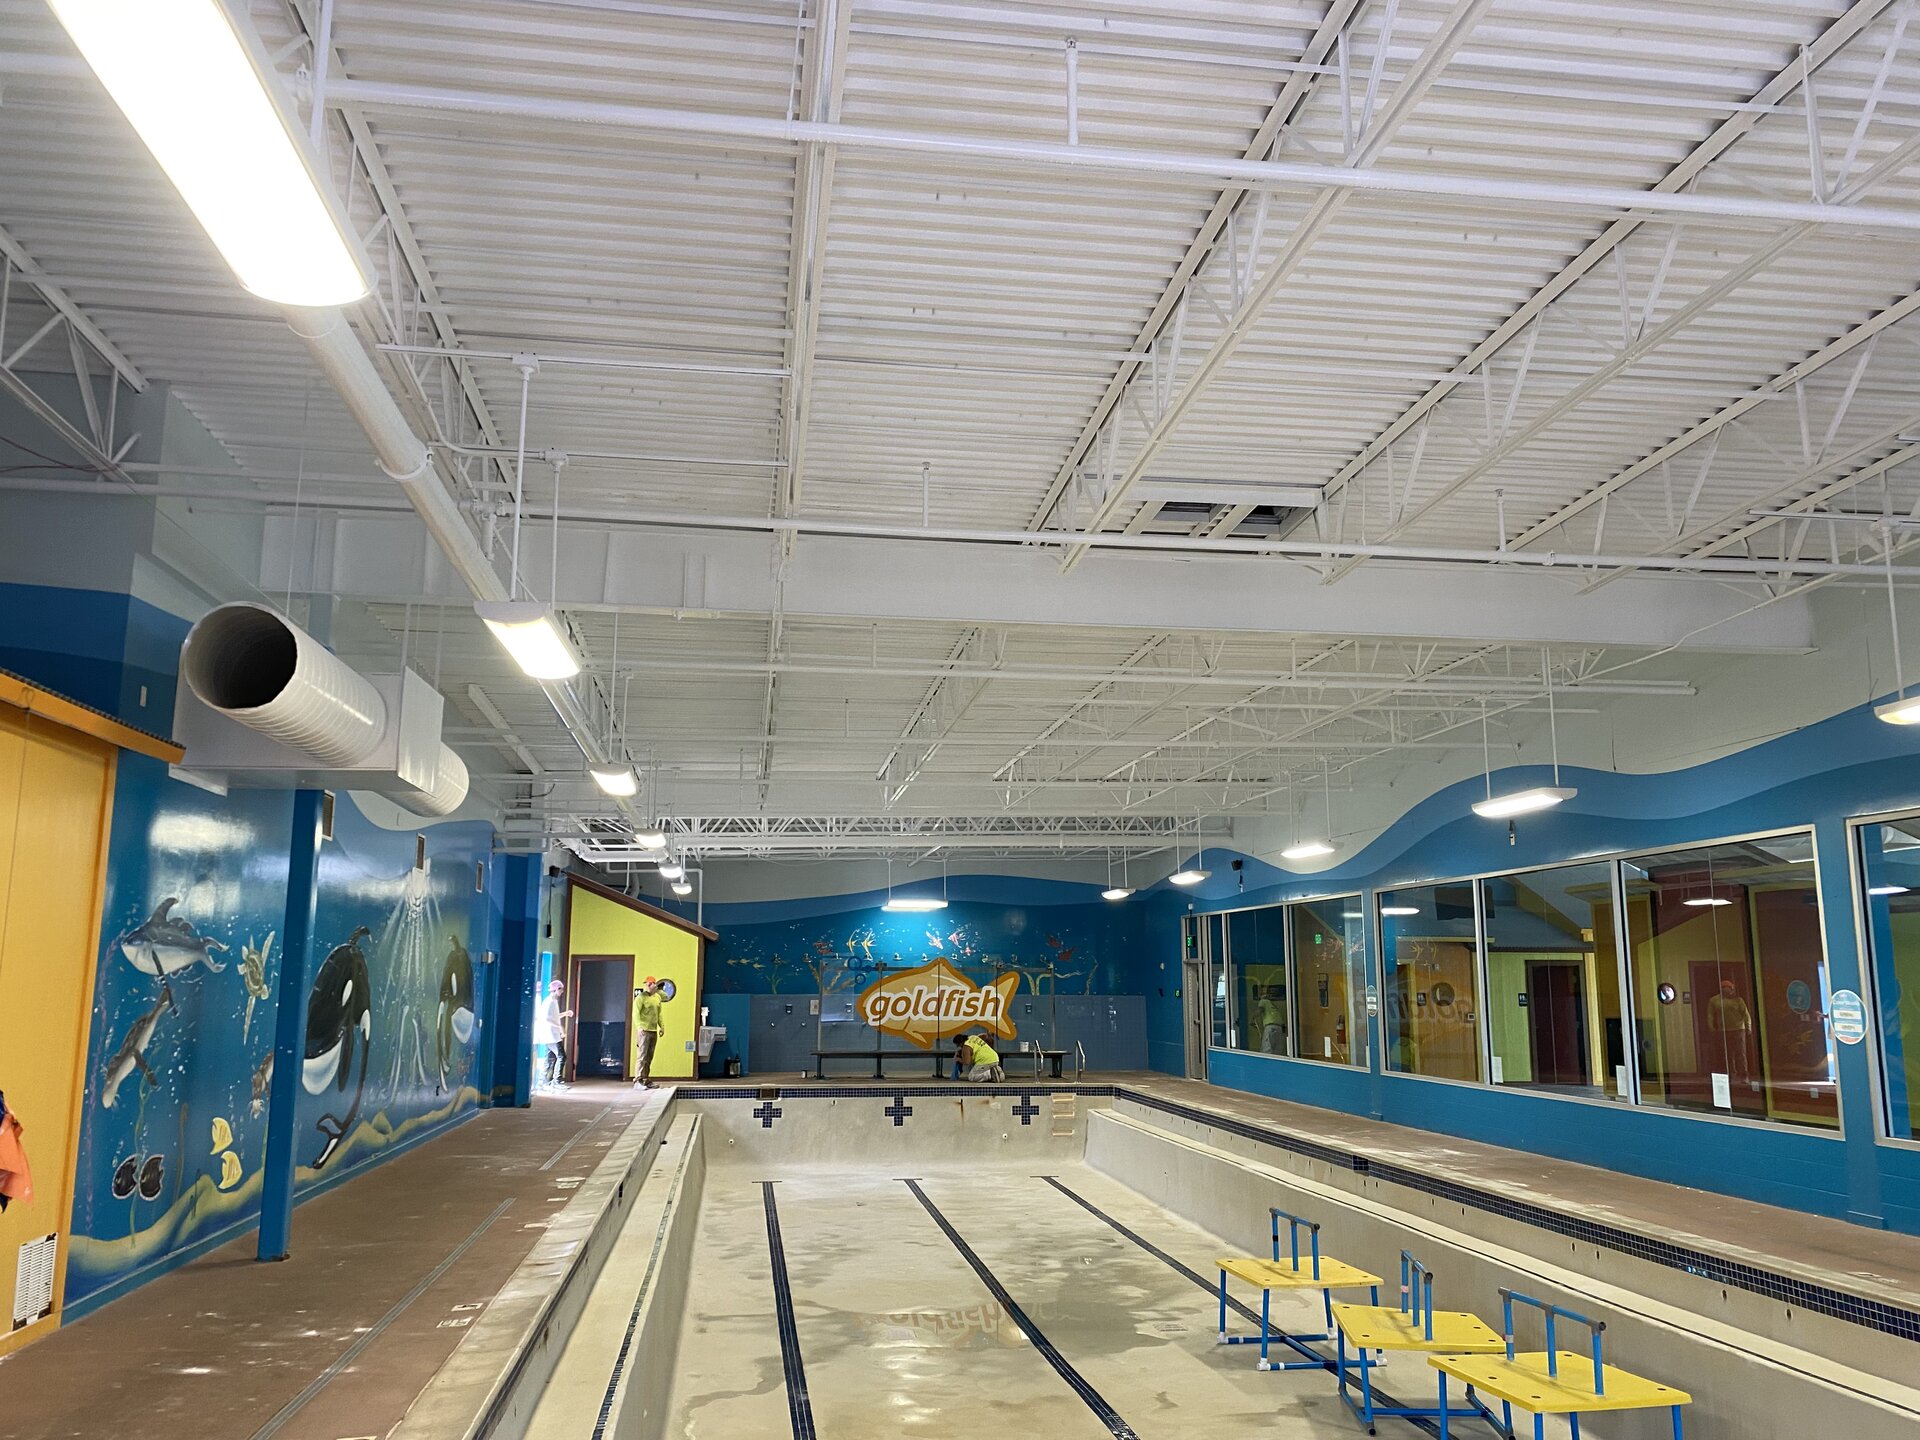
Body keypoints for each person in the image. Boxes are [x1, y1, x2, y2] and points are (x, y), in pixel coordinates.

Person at [1705, 978, 1757, 1092]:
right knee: (1727, 1054)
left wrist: (1748, 1027)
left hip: (1739, 1029)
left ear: (1732, 989)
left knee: (1741, 1053)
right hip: (1723, 1030)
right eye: (1723, 988)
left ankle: (1744, 1076)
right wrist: (1711, 1027)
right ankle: (1730, 1075)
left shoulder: (1739, 1000)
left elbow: (1746, 1014)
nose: (1726, 990)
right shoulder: (1714, 1001)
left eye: (1728, 988)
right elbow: (1710, 1015)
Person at [534, 979, 573, 1089]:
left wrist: (565, 1014)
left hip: (550, 1034)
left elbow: (553, 1017)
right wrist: (559, 1029)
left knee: (550, 1058)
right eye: (561, 989)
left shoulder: (551, 1001)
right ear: (557, 989)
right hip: (551, 1034)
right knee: (561, 1056)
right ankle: (556, 1081)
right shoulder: (550, 1002)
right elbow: (548, 1018)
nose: (562, 992)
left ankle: (543, 1082)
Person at [632, 977, 666, 1087]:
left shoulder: (657, 997)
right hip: (644, 1031)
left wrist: (662, 1026)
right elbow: (635, 1014)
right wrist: (639, 1027)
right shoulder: (640, 998)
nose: (648, 986)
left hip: (653, 1030)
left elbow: (659, 1013)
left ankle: (645, 1079)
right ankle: (638, 1080)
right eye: (647, 984)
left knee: (649, 1057)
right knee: (641, 1056)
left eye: (651, 984)